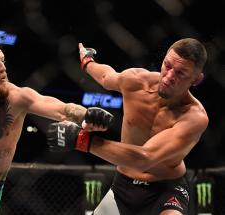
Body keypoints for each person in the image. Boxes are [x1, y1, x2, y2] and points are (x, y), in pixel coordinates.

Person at [0, 40, 114, 215]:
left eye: (2, 60)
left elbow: (60, 109)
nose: (2, 68)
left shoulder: (16, 98)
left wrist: (87, 114)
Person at [47, 38, 209, 215]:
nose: (169, 77)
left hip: (165, 191)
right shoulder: (136, 81)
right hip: (123, 186)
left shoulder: (194, 117)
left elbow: (146, 157)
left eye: (180, 73)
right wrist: (87, 62)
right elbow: (105, 77)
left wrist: (81, 139)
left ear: (196, 79)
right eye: (167, 66)